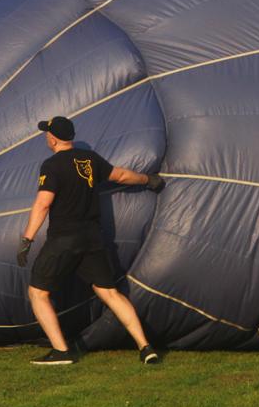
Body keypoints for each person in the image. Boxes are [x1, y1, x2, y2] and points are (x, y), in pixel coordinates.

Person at [17, 115, 165, 365]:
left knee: (38, 293)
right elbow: (120, 175)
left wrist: (27, 239)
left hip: (64, 239)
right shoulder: (90, 159)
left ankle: (61, 351)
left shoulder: (52, 166)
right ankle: (145, 346)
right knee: (109, 292)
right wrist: (148, 180)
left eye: (47, 133)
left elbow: (43, 204)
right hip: (93, 238)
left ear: (52, 138)